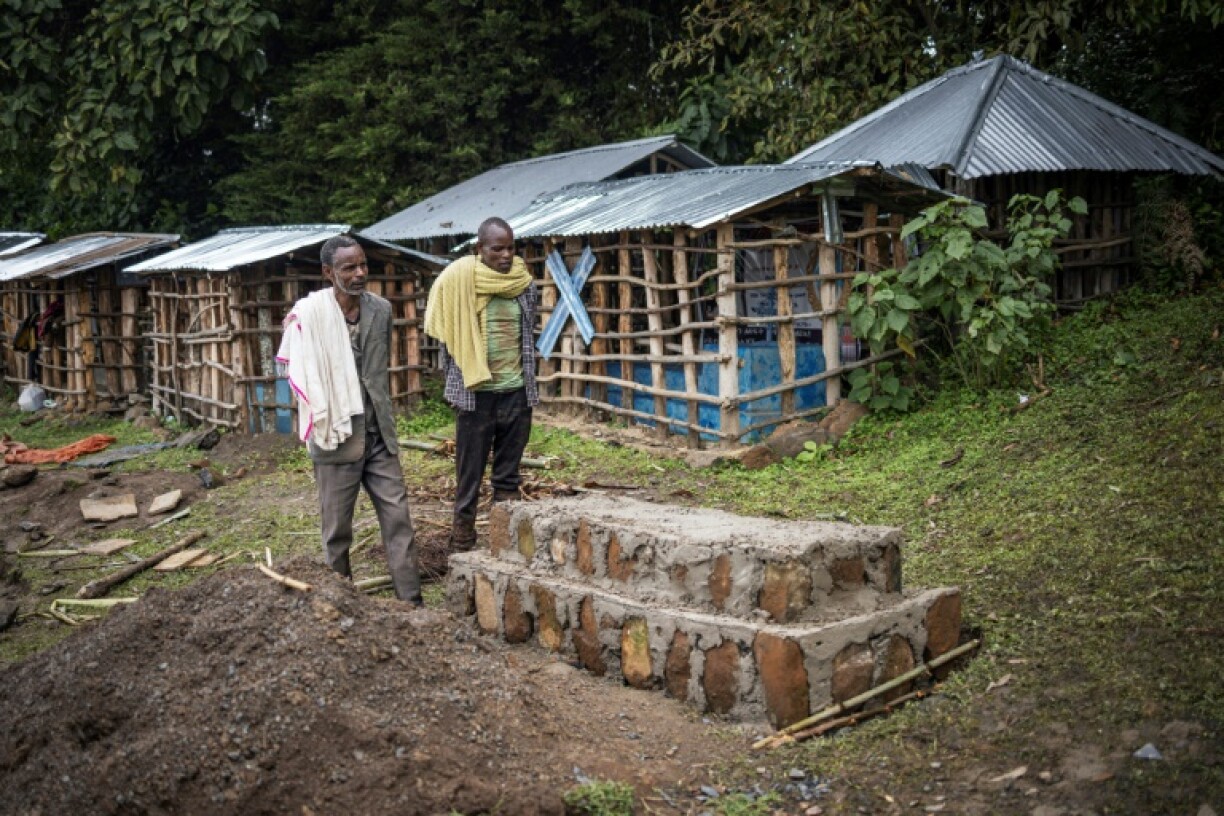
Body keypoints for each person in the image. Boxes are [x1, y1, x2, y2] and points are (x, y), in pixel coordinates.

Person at [277, 235, 423, 605]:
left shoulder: (381, 310)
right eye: (349, 268)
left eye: (362, 265)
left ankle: (412, 603)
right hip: (336, 436)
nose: (359, 273)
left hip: (378, 437)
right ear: (329, 272)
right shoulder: (308, 318)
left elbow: (376, 374)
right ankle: (340, 604)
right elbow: (300, 372)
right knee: (337, 531)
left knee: (398, 520)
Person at [424, 217, 539, 551]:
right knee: (469, 473)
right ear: (479, 249)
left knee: (508, 474)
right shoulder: (460, 281)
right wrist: (457, 383)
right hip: (476, 395)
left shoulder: (524, 285)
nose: (505, 256)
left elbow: (527, 340)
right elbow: (446, 335)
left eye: (510, 248)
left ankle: (504, 544)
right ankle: (462, 541)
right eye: (496, 249)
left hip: (517, 391)